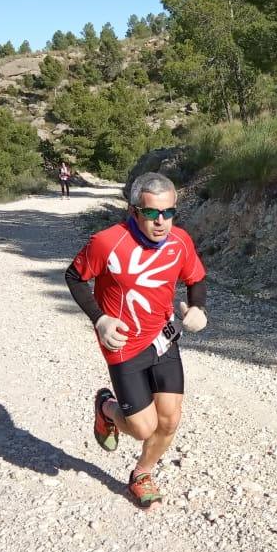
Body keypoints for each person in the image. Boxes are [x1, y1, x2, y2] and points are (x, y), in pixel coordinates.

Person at [64, 172, 208, 509]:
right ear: (133, 211)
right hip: (123, 345)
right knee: (144, 428)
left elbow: (196, 278)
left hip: (163, 338)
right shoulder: (107, 242)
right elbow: (74, 276)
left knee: (170, 419)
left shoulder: (180, 242)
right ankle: (106, 407)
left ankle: (142, 473)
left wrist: (198, 308)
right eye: (151, 213)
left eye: (168, 212)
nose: (161, 222)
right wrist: (99, 318)